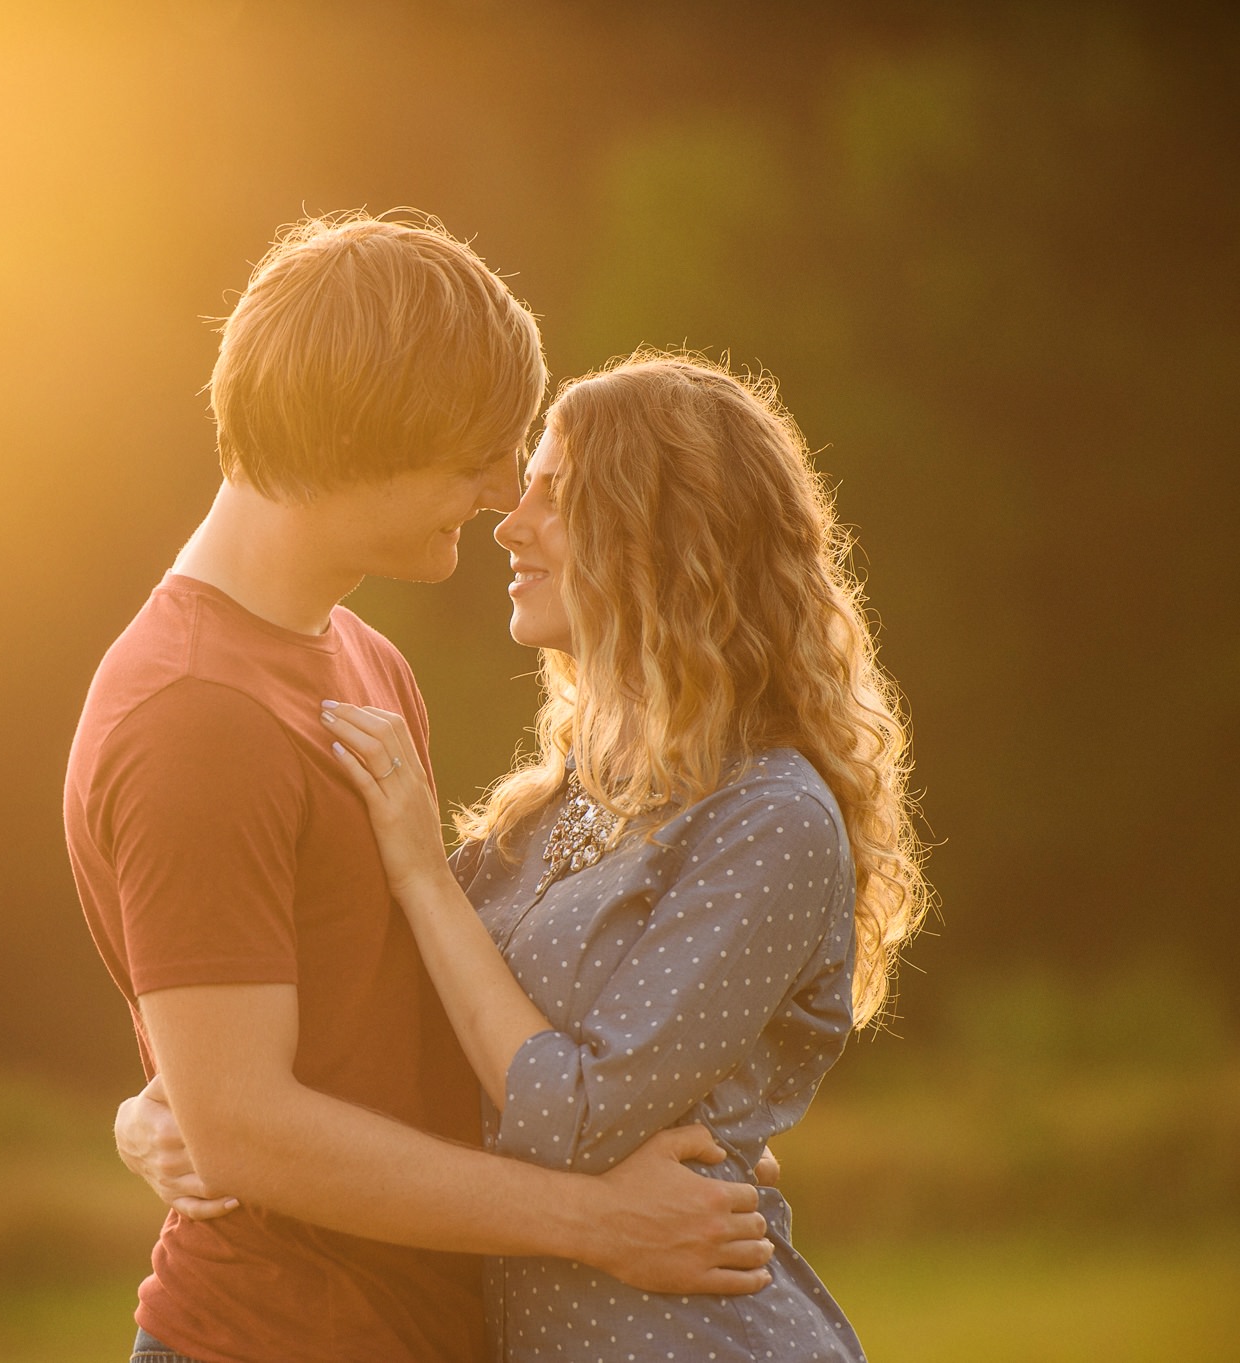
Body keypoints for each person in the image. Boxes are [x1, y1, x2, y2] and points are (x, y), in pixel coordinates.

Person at [122, 351, 932, 1361]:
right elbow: (389, 1017)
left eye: (554, 495)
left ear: (659, 533)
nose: (507, 519)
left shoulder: (770, 817)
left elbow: (574, 1116)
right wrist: (166, 1111)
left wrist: (421, 869)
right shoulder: (553, 805)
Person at [65, 218, 778, 1363]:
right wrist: (597, 1224)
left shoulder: (361, 660)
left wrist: (687, 1125)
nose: (503, 496)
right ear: (361, 436)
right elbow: (247, 1126)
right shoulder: (190, 713)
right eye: (475, 454)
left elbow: (383, 1016)